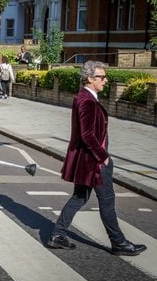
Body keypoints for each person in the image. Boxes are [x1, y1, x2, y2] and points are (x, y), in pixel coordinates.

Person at [47, 61, 147, 256]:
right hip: (95, 163)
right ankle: (119, 243)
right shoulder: (87, 101)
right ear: (90, 79)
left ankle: (57, 235)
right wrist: (103, 157)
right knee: (107, 201)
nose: (105, 80)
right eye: (102, 77)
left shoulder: (85, 97)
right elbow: (87, 135)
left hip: (87, 161)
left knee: (79, 197)